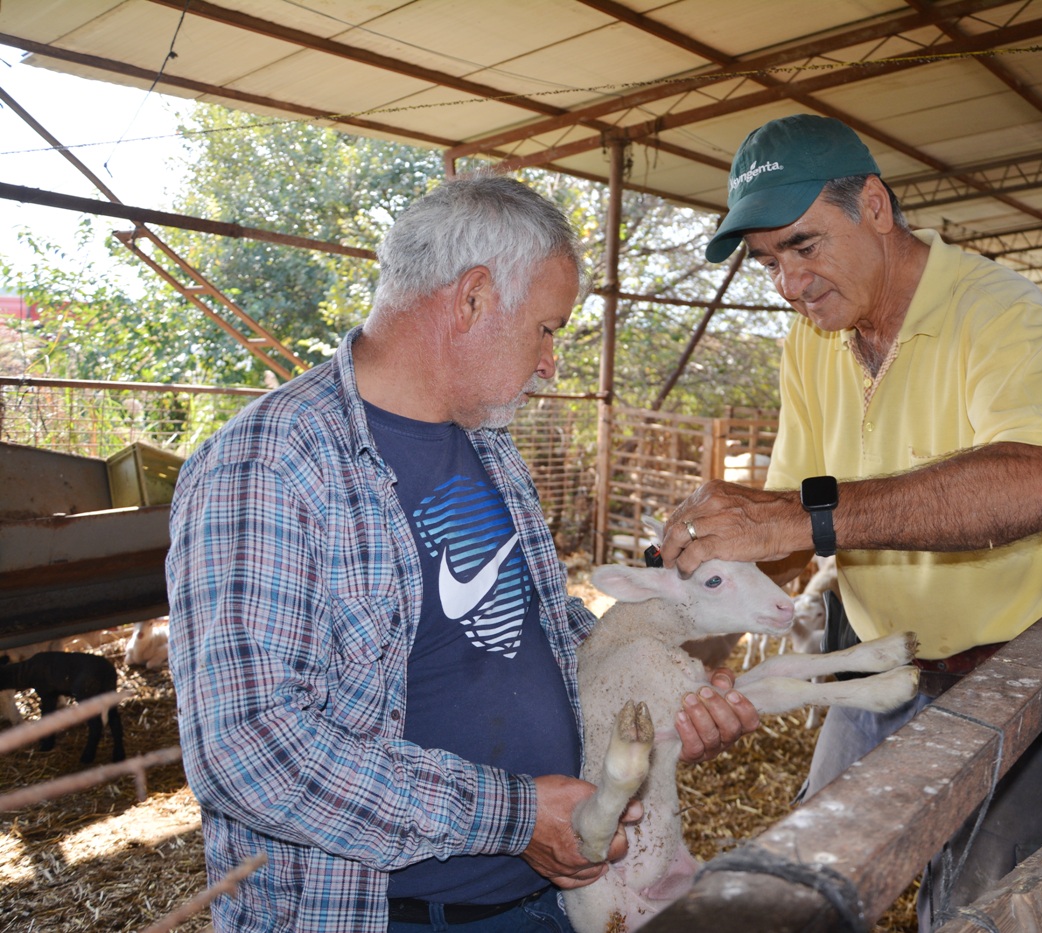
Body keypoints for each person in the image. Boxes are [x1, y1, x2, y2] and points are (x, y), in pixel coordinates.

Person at [166, 174, 759, 933]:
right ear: (473, 297)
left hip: (545, 893)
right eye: (547, 328)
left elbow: (534, 628)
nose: (552, 362)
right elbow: (248, 747)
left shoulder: (485, 443)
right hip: (389, 913)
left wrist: (660, 691)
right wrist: (516, 817)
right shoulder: (271, 463)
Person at [659, 114, 1042, 926]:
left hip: (1020, 660)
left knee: (980, 903)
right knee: (807, 877)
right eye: (768, 262)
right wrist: (701, 637)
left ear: (873, 204)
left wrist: (804, 518)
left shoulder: (996, 308)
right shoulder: (812, 342)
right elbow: (791, 529)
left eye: (804, 246)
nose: (790, 285)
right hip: (877, 658)